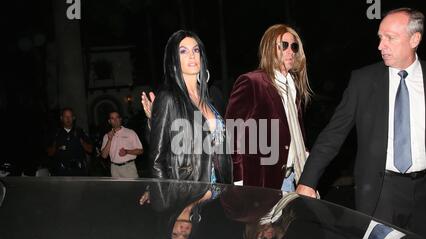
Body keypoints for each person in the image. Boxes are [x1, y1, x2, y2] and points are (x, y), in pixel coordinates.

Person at [297, 8, 426, 239]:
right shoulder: (364, 81)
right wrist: (308, 181)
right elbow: (333, 134)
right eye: (380, 37)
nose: (381, 46)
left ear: (414, 39)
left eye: (390, 38)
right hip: (380, 195)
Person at [225, 24, 312, 192]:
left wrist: (306, 158)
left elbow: (295, 133)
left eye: (293, 46)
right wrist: (238, 180)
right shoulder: (252, 82)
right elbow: (232, 133)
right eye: (283, 45)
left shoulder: (293, 87)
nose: (290, 51)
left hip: (292, 178)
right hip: (260, 181)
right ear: (269, 48)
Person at [145, 30, 232, 184]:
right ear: (173, 59)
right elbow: (157, 160)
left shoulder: (211, 97)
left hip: (220, 192)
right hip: (191, 193)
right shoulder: (168, 97)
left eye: (196, 50)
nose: (192, 55)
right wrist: (168, 200)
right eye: (183, 51)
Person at [47, 108, 93, 176]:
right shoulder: (56, 133)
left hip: (79, 171)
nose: (68, 118)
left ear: (73, 118)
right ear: (61, 118)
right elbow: (49, 153)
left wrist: (82, 142)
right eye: (66, 116)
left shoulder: (80, 132)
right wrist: (55, 146)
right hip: (61, 171)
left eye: (70, 116)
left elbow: (90, 150)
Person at [101, 111, 143, 178]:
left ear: (120, 119)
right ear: (109, 121)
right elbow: (104, 156)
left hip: (128, 167)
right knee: (118, 188)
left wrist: (127, 151)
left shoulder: (130, 132)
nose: (115, 120)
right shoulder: (106, 136)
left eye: (117, 117)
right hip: (114, 169)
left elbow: (140, 151)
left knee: (132, 188)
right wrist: (109, 140)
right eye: (112, 118)